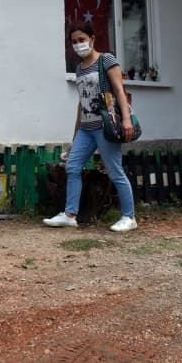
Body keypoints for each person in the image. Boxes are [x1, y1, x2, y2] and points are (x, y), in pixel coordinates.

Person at [43, 22, 138, 232]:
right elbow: (81, 103)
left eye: (82, 40)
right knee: (73, 167)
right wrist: (75, 136)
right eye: (74, 42)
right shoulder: (79, 69)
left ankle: (129, 217)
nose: (78, 45)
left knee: (115, 171)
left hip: (105, 127)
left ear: (92, 39)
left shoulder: (106, 60)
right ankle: (70, 215)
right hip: (86, 128)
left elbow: (119, 90)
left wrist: (126, 120)